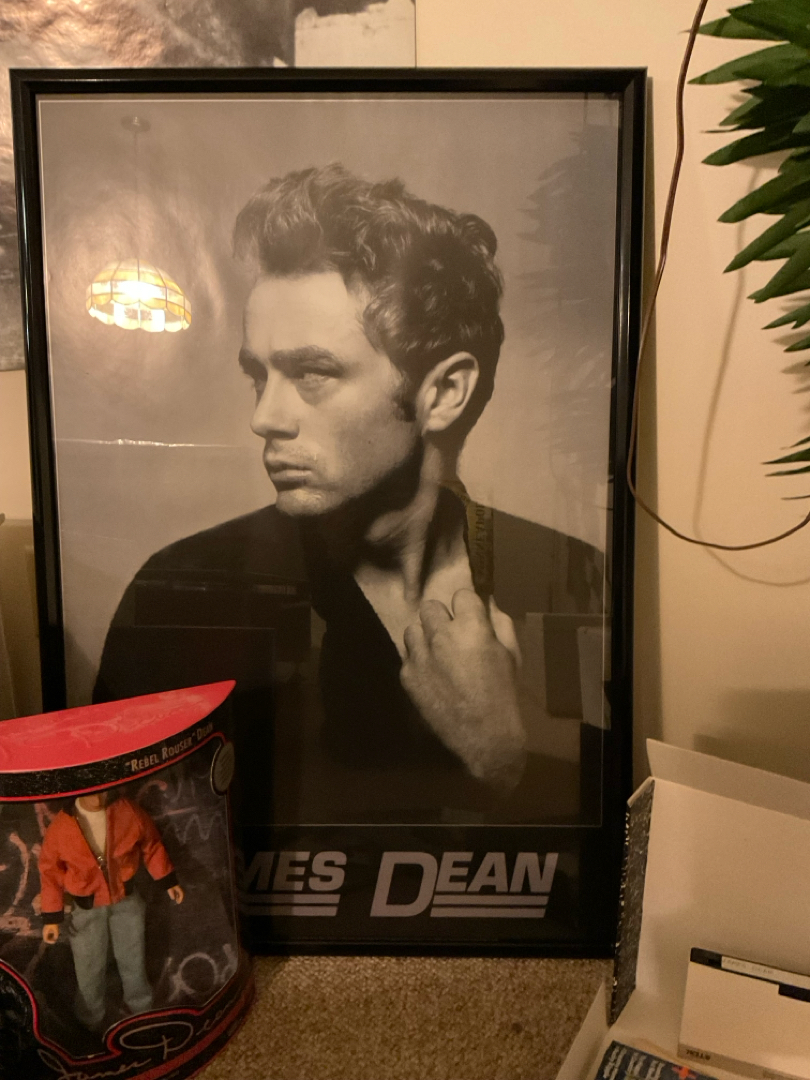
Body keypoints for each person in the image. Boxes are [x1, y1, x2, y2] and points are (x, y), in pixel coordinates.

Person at [94, 164, 603, 825]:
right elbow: (113, 848)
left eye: (313, 373)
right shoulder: (182, 590)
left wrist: (505, 755)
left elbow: (606, 858)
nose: (264, 418)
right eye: (259, 377)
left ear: (444, 393)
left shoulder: (570, 578)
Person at [39, 789, 184, 1032]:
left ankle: (141, 1009)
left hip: (126, 899)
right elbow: (50, 873)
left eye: (102, 791)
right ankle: (90, 1017)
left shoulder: (127, 812)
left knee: (132, 956)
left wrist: (168, 880)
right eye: (90, 793)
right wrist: (52, 917)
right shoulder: (62, 827)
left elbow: (151, 844)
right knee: (89, 963)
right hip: (87, 907)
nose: (97, 799)